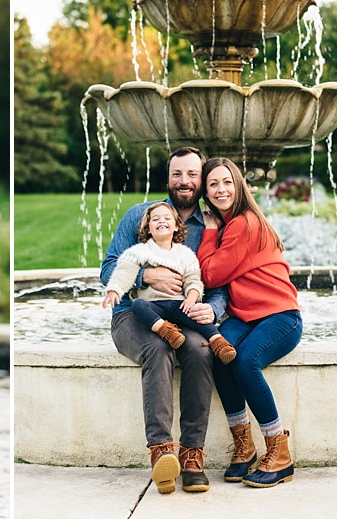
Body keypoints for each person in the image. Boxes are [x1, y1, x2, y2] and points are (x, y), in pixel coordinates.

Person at [101, 146, 228, 495]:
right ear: (167, 177)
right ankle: (161, 453)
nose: (184, 181)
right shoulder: (141, 214)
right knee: (157, 349)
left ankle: (191, 455)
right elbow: (108, 268)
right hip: (133, 314)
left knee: (201, 351)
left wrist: (212, 311)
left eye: (192, 174)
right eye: (177, 174)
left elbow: (219, 284)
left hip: (183, 315)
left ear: (201, 180)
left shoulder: (211, 225)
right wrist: (147, 277)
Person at [198, 157, 302, 488]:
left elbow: (210, 273)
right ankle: (244, 448)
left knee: (244, 361)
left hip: (281, 316)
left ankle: (279, 452)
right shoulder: (235, 223)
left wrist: (210, 230)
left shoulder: (241, 223)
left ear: (239, 184)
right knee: (219, 352)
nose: (220, 189)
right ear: (206, 191)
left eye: (227, 181)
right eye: (213, 184)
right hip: (246, 316)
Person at [102, 202, 237, 364]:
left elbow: (193, 281)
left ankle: (218, 341)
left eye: (167, 218)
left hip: (177, 305)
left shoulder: (185, 254)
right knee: (138, 305)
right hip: (151, 305)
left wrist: (191, 299)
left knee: (193, 315)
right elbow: (123, 272)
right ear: (148, 228)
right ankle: (165, 330)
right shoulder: (139, 251)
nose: (161, 221)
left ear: (176, 226)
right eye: (155, 219)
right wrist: (115, 290)